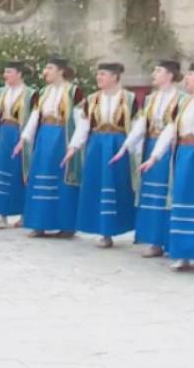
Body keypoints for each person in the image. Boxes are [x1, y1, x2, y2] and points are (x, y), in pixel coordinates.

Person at [112, 60, 184, 258]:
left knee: (168, 196)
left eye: (158, 71)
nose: (154, 74)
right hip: (151, 145)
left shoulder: (181, 98)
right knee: (152, 196)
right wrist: (126, 146)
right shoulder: (151, 99)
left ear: (170, 75)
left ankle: (171, 241)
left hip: (170, 149)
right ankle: (154, 240)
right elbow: (141, 125)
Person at [63, 63, 138, 248]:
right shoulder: (92, 99)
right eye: (98, 75)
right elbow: (84, 126)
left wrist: (137, 151)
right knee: (97, 185)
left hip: (118, 145)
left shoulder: (130, 99)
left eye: (103, 74)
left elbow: (136, 126)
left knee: (118, 186)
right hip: (96, 145)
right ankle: (104, 232)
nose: (99, 78)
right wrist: (73, 147)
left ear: (114, 77)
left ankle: (122, 227)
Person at [14, 56, 84, 238]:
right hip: (45, 136)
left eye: (49, 68)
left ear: (61, 71)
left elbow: (81, 121)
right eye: (45, 68)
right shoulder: (42, 93)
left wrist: (75, 145)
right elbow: (35, 116)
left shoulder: (74, 92)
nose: (45, 72)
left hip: (63, 137)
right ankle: (39, 224)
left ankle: (66, 226)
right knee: (39, 176)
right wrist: (24, 139)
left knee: (62, 179)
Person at [140, 63, 194, 271]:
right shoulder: (183, 103)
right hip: (184, 155)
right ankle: (182, 254)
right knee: (181, 200)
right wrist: (154, 157)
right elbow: (170, 130)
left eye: (191, 74)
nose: (187, 78)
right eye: (188, 74)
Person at [0, 61, 37, 229]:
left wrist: (25, 139)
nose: (6, 75)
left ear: (19, 74)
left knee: (20, 172)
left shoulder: (31, 94)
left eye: (9, 72)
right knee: (1, 170)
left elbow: (34, 118)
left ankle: (23, 214)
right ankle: (2, 215)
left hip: (19, 135)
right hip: (3, 135)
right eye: (5, 72)